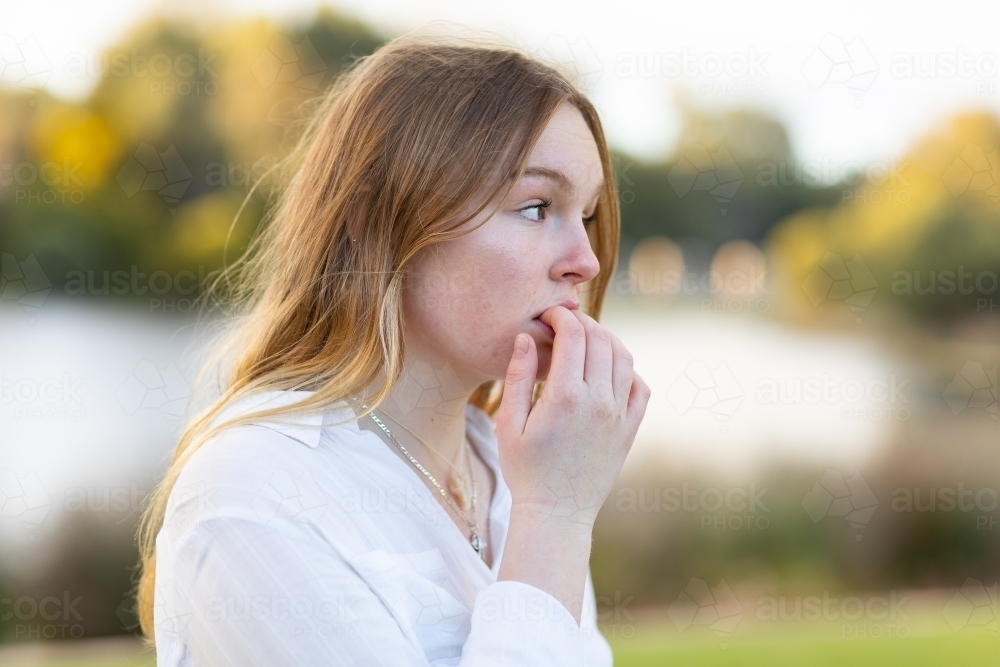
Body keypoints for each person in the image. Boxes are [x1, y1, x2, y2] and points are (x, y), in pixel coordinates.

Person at [136, 28, 650, 666]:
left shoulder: (515, 466)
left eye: (590, 215)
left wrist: (552, 508)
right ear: (378, 222)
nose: (586, 261)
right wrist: (555, 519)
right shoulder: (257, 492)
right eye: (537, 206)